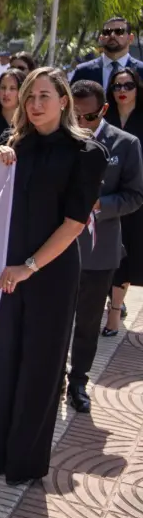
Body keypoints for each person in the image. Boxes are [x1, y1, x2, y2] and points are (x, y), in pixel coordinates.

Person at [0, 67, 108, 485]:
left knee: (41, 366)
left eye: (45, 96)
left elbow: (73, 224)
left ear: (64, 100)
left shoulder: (88, 153)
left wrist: (28, 267)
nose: (35, 104)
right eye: (30, 96)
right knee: (0, 361)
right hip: (5, 272)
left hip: (49, 273)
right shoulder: (11, 145)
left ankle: (24, 462)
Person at [67, 79, 143, 413]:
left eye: (89, 117)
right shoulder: (61, 136)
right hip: (58, 248)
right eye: (76, 116)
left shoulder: (125, 144)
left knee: (86, 324)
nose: (82, 124)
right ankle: (51, 378)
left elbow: (136, 195)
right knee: (54, 320)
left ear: (104, 110)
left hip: (100, 251)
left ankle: (78, 382)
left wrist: (100, 204)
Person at [103, 66, 143, 337]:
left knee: (129, 253)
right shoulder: (104, 119)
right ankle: (112, 301)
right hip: (108, 196)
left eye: (128, 86)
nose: (122, 91)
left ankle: (115, 310)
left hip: (136, 197)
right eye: (117, 86)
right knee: (109, 252)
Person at [71, 17, 143, 90]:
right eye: (107, 32)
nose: (112, 35)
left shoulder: (141, 70)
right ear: (101, 38)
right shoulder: (83, 71)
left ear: (130, 38)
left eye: (119, 31)